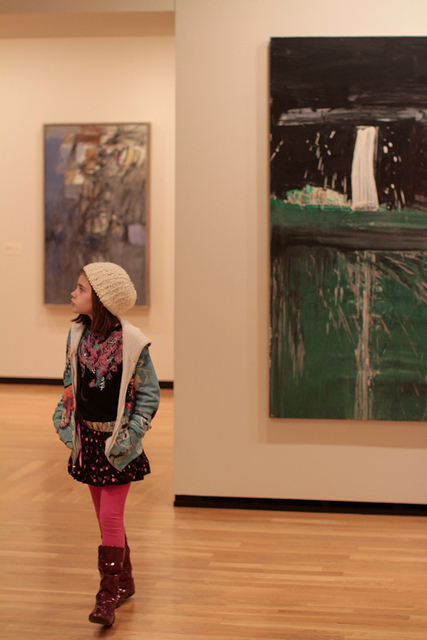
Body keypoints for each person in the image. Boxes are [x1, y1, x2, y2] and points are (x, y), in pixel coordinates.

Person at [53, 262, 160, 627]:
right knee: (105, 518)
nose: (73, 293)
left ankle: (107, 595)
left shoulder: (132, 343)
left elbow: (149, 394)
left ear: (101, 299)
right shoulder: (77, 335)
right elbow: (70, 375)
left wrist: (131, 435)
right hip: (88, 441)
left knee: (111, 517)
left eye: (81, 289)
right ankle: (125, 580)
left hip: (118, 445)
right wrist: (66, 404)